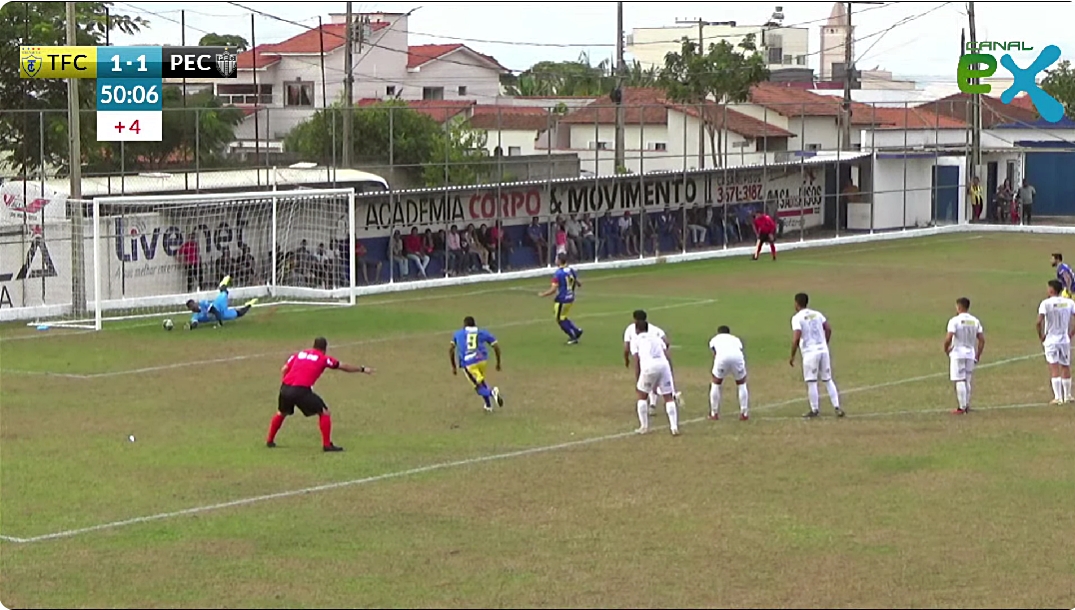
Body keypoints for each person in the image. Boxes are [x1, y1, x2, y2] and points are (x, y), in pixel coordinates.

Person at [266, 337, 374, 452]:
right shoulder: (323, 358)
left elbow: (284, 369)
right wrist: (362, 369)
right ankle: (327, 445)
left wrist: (286, 383)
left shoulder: (300, 354)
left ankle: (269, 440)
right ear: (325, 349)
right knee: (324, 412)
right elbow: (343, 367)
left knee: (282, 412)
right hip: (301, 390)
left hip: (285, 388)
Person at [789, 292, 844, 419]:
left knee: (812, 381)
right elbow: (828, 329)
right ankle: (837, 407)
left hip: (810, 352)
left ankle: (814, 409)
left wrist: (792, 355)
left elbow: (796, 337)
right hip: (823, 350)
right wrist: (825, 343)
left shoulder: (797, 318)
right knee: (828, 379)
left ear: (796, 303)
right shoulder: (817, 314)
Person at [630, 319, 680, 436]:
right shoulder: (656, 337)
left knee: (642, 396)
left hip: (649, 367)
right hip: (663, 366)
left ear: (637, 330)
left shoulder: (636, 340)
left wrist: (638, 377)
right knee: (668, 397)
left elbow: (636, 360)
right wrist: (670, 370)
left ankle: (644, 426)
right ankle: (674, 427)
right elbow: (666, 353)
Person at [623, 310, 677, 415]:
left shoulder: (630, 329)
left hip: (643, 360)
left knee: (643, 386)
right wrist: (661, 350)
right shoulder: (653, 328)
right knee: (657, 383)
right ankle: (653, 404)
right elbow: (666, 341)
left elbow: (626, 347)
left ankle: (647, 412)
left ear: (634, 319)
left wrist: (626, 359)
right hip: (660, 361)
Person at [449, 316, 504, 412]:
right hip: (482, 361)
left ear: (464, 325)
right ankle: (488, 405)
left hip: (469, 363)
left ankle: (492, 392)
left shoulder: (458, 334)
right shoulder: (482, 332)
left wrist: (453, 366)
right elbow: (496, 346)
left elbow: (451, 350)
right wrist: (498, 363)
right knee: (481, 382)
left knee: (478, 388)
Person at [944, 297, 985, 415]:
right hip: (970, 353)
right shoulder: (975, 321)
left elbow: (949, 337)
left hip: (958, 353)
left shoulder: (954, 321)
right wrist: (978, 354)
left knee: (959, 380)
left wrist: (946, 349)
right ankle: (966, 405)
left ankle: (962, 407)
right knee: (967, 379)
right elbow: (982, 340)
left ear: (959, 307)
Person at [1037, 280, 1075, 405]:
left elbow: (1039, 322)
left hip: (1051, 340)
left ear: (1052, 290)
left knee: (1054, 366)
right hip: (1064, 339)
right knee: (1065, 366)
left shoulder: (1045, 303)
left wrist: (1041, 336)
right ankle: (1068, 395)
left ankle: (1058, 397)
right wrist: (1071, 333)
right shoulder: (1069, 302)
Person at [538, 253, 584, 345]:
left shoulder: (558, 274)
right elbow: (579, 282)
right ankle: (576, 330)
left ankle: (572, 336)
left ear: (559, 261)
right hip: (570, 298)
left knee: (560, 319)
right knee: (563, 316)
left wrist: (543, 294)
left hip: (562, 299)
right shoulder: (570, 270)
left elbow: (553, 289)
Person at [184, 275, 257, 330]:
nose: (193, 307)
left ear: (195, 303)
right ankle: (249, 304)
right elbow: (195, 323)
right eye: (190, 307)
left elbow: (215, 311)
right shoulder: (195, 316)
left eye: (192, 305)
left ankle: (223, 284)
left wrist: (220, 323)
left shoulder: (203, 304)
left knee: (224, 292)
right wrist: (190, 327)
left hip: (219, 304)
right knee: (240, 313)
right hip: (223, 314)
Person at [708, 325, 750, 421]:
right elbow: (740, 348)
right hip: (737, 357)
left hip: (722, 358)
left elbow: (714, 352)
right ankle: (744, 413)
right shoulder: (735, 339)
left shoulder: (715, 339)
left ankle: (714, 413)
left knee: (716, 382)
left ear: (719, 332)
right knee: (741, 383)